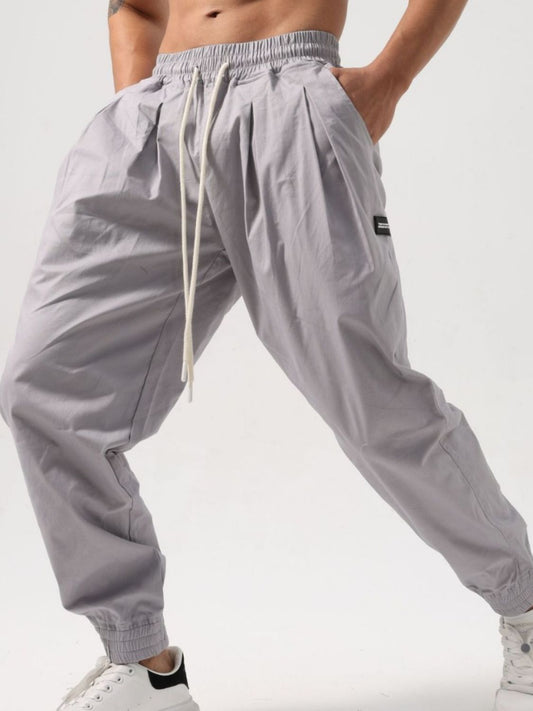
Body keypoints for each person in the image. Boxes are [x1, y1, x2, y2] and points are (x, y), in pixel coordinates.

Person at [1, 1, 532, 709]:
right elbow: (135, 6)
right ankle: (144, 666)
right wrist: (139, 105)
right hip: (155, 123)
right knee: (44, 386)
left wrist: (388, 82)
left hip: (289, 101)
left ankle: (526, 606)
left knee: (370, 399)